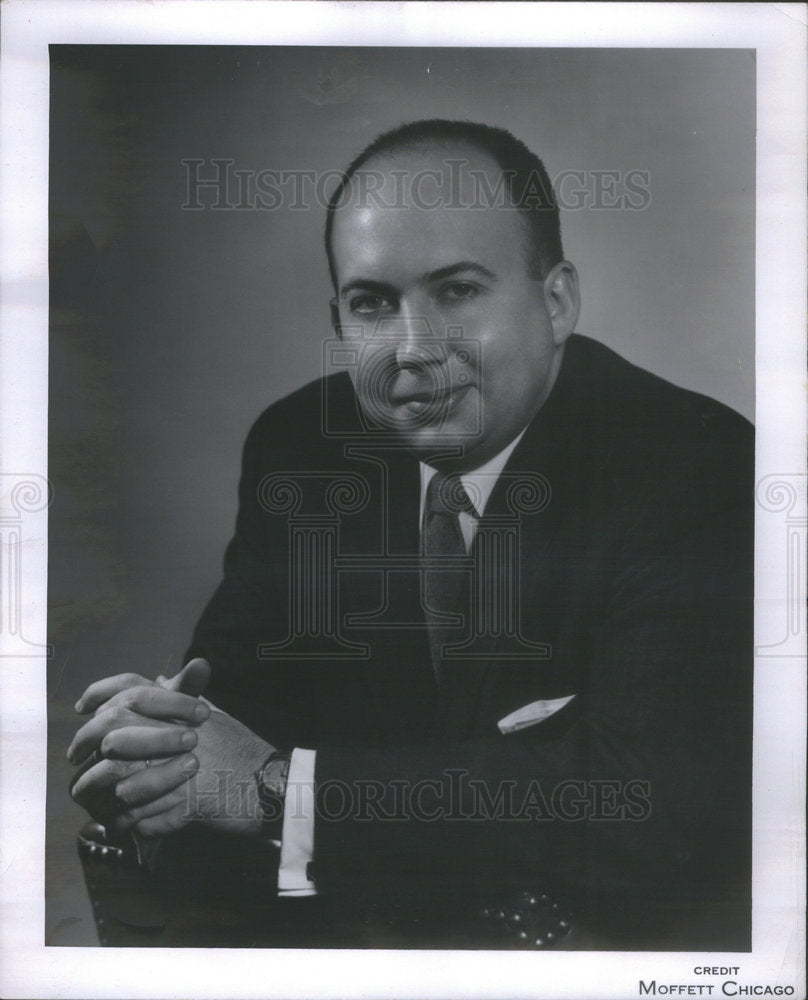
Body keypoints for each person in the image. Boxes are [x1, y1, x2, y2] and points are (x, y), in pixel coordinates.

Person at [68, 120, 753, 950]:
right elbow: (234, 718)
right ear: (340, 318)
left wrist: (279, 793)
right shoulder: (304, 448)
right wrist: (160, 747)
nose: (413, 350)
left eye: (458, 291)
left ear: (557, 299)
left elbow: (646, 804)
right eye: (373, 305)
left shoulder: (693, 464)